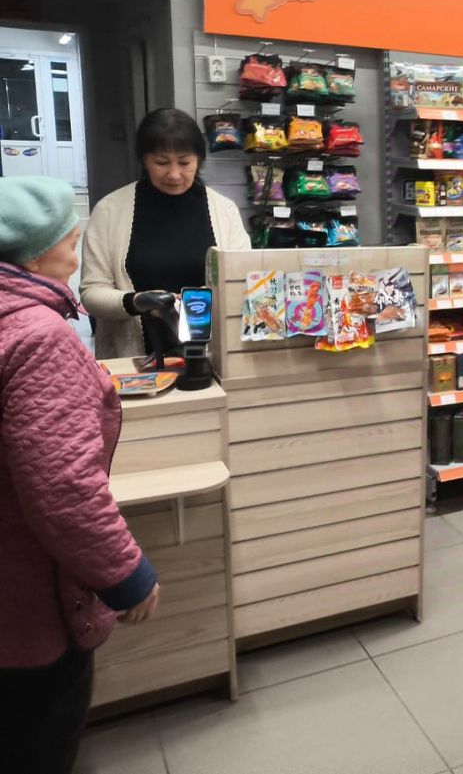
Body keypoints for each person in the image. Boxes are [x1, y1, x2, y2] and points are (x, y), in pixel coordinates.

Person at [0, 176, 160, 773]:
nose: (74, 258)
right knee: (36, 741)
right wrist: (126, 575)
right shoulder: (39, 339)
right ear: (35, 255)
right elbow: (64, 488)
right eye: (70, 244)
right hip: (27, 608)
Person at [82, 107, 250, 358]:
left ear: (199, 160)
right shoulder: (109, 211)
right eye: (161, 162)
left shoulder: (223, 210)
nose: (174, 174)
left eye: (184, 163)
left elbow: (242, 279)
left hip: (211, 358)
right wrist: (136, 301)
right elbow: (92, 291)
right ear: (144, 160)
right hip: (135, 362)